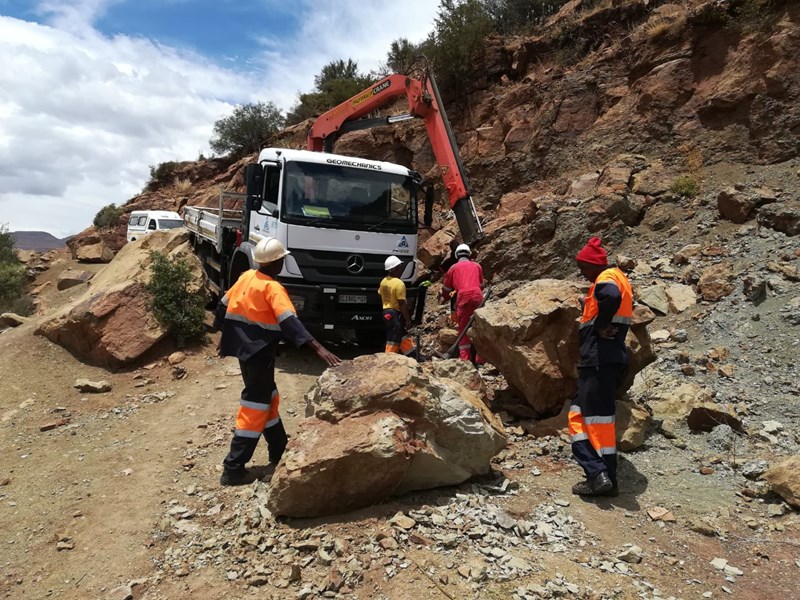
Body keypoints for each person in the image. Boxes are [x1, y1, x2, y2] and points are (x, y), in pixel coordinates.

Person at [214, 237, 341, 486]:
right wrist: (319, 348)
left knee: (268, 397)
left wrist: (221, 334)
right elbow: (289, 321)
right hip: (260, 352)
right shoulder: (273, 288)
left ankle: (278, 449)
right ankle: (233, 468)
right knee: (255, 405)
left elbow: (222, 305)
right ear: (277, 262)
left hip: (244, 351)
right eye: (282, 259)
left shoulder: (247, 277)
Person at [569, 237, 633, 497]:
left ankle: (598, 474)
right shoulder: (619, 277)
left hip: (597, 360)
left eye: (583, 267)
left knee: (583, 418)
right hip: (610, 359)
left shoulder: (605, 278)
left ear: (594, 264)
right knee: (597, 421)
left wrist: (599, 325)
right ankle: (606, 479)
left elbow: (610, 297)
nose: (582, 273)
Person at [441, 243, 485, 363]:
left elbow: (446, 289)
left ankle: (465, 360)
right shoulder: (477, 266)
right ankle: (481, 359)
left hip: (463, 297)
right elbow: (481, 285)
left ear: (457, 255)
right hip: (477, 296)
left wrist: (445, 297)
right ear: (469, 254)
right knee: (480, 327)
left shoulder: (453, 268)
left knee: (464, 328)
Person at [379, 256, 416, 358]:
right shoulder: (399, 284)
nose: (402, 269)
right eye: (400, 267)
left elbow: (381, 294)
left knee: (401, 335)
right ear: (396, 268)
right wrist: (408, 320)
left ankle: (413, 355)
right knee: (393, 338)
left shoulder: (383, 281)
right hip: (395, 313)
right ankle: (389, 358)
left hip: (386, 312)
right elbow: (402, 304)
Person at [439, 239, 460, 325]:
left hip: (454, 286)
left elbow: (441, 269)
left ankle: (454, 320)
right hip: (465, 283)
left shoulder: (450, 260)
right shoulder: (464, 258)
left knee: (453, 301)